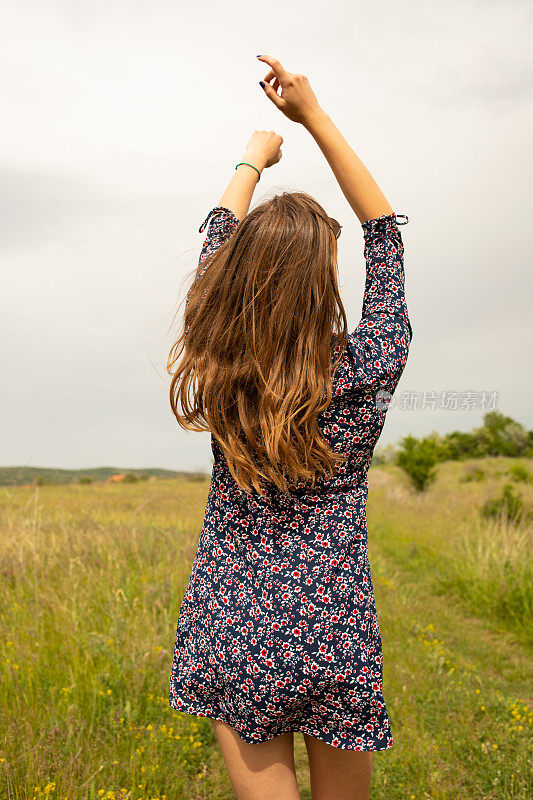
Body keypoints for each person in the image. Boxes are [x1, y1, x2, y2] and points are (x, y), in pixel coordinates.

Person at [167, 54, 412, 800]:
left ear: (237, 282)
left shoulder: (220, 359)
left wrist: (253, 152)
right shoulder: (367, 365)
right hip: (333, 625)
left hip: (232, 619)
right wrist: (313, 118)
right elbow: (385, 237)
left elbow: (216, 240)